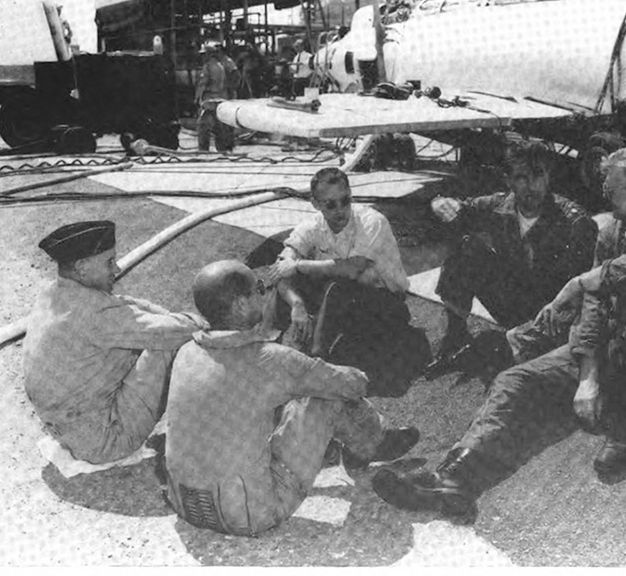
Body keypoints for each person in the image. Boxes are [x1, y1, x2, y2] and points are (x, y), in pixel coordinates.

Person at [371, 147, 626, 519]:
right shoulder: (613, 230)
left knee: (624, 345)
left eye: (612, 189)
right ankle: (453, 480)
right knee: (514, 382)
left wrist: (581, 282)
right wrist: (587, 377)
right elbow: (595, 307)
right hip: (610, 348)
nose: (605, 194)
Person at [164, 260, 419, 536]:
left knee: (270, 400)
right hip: (249, 514)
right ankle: (371, 443)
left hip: (186, 503)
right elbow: (352, 385)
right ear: (240, 304)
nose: (264, 294)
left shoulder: (186, 353)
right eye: (259, 289)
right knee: (325, 394)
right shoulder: (269, 360)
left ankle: (363, 443)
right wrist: (332, 371)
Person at [23, 221, 207, 464]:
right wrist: (195, 320)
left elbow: (124, 305)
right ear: (82, 268)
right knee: (170, 345)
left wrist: (160, 317)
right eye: (109, 262)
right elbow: (181, 331)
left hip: (69, 431)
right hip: (107, 441)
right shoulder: (96, 315)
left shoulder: (54, 293)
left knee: (139, 335)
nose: (117, 268)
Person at [424, 137, 597, 380]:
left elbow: (581, 295)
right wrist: (439, 203)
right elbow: (454, 210)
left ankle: (514, 348)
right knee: (466, 248)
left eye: (538, 175)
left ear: (549, 176)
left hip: (553, 315)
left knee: (507, 363)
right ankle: (455, 336)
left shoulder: (575, 222)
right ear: (509, 181)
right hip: (513, 303)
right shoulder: (498, 206)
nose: (532, 186)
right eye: (522, 177)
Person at [267, 167, 430, 396]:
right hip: (343, 306)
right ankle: (264, 353)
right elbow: (280, 268)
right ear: (315, 204)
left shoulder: (372, 221)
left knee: (337, 285)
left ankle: (316, 364)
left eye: (345, 200)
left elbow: (353, 269)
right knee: (290, 283)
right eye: (330, 204)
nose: (340, 210)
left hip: (384, 307)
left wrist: (299, 265)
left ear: (351, 195)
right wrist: (297, 303)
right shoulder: (312, 226)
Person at [195, 45, 236, 153]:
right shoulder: (220, 66)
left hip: (209, 101)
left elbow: (203, 84)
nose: (203, 57)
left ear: (209, 54)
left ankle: (203, 149)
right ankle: (222, 148)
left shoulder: (208, 67)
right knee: (219, 125)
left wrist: (197, 98)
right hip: (220, 99)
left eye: (204, 54)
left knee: (203, 126)